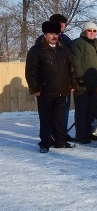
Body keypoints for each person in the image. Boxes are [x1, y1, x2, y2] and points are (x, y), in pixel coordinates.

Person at [25, 21, 77, 153]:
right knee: (46, 119)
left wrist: (72, 84)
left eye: (56, 33)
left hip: (62, 91)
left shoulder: (63, 49)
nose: (54, 36)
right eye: (51, 33)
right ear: (45, 35)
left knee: (60, 119)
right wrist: (35, 88)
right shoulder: (36, 50)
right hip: (45, 92)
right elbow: (30, 72)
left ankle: (61, 141)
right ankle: (45, 142)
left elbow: (71, 68)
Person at [70, 22, 97, 143]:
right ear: (84, 32)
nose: (92, 33)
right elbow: (75, 61)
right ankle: (81, 134)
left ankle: (88, 132)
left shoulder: (96, 44)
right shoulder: (78, 43)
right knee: (82, 111)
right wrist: (80, 77)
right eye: (90, 31)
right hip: (82, 84)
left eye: (94, 31)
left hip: (94, 84)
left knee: (91, 111)